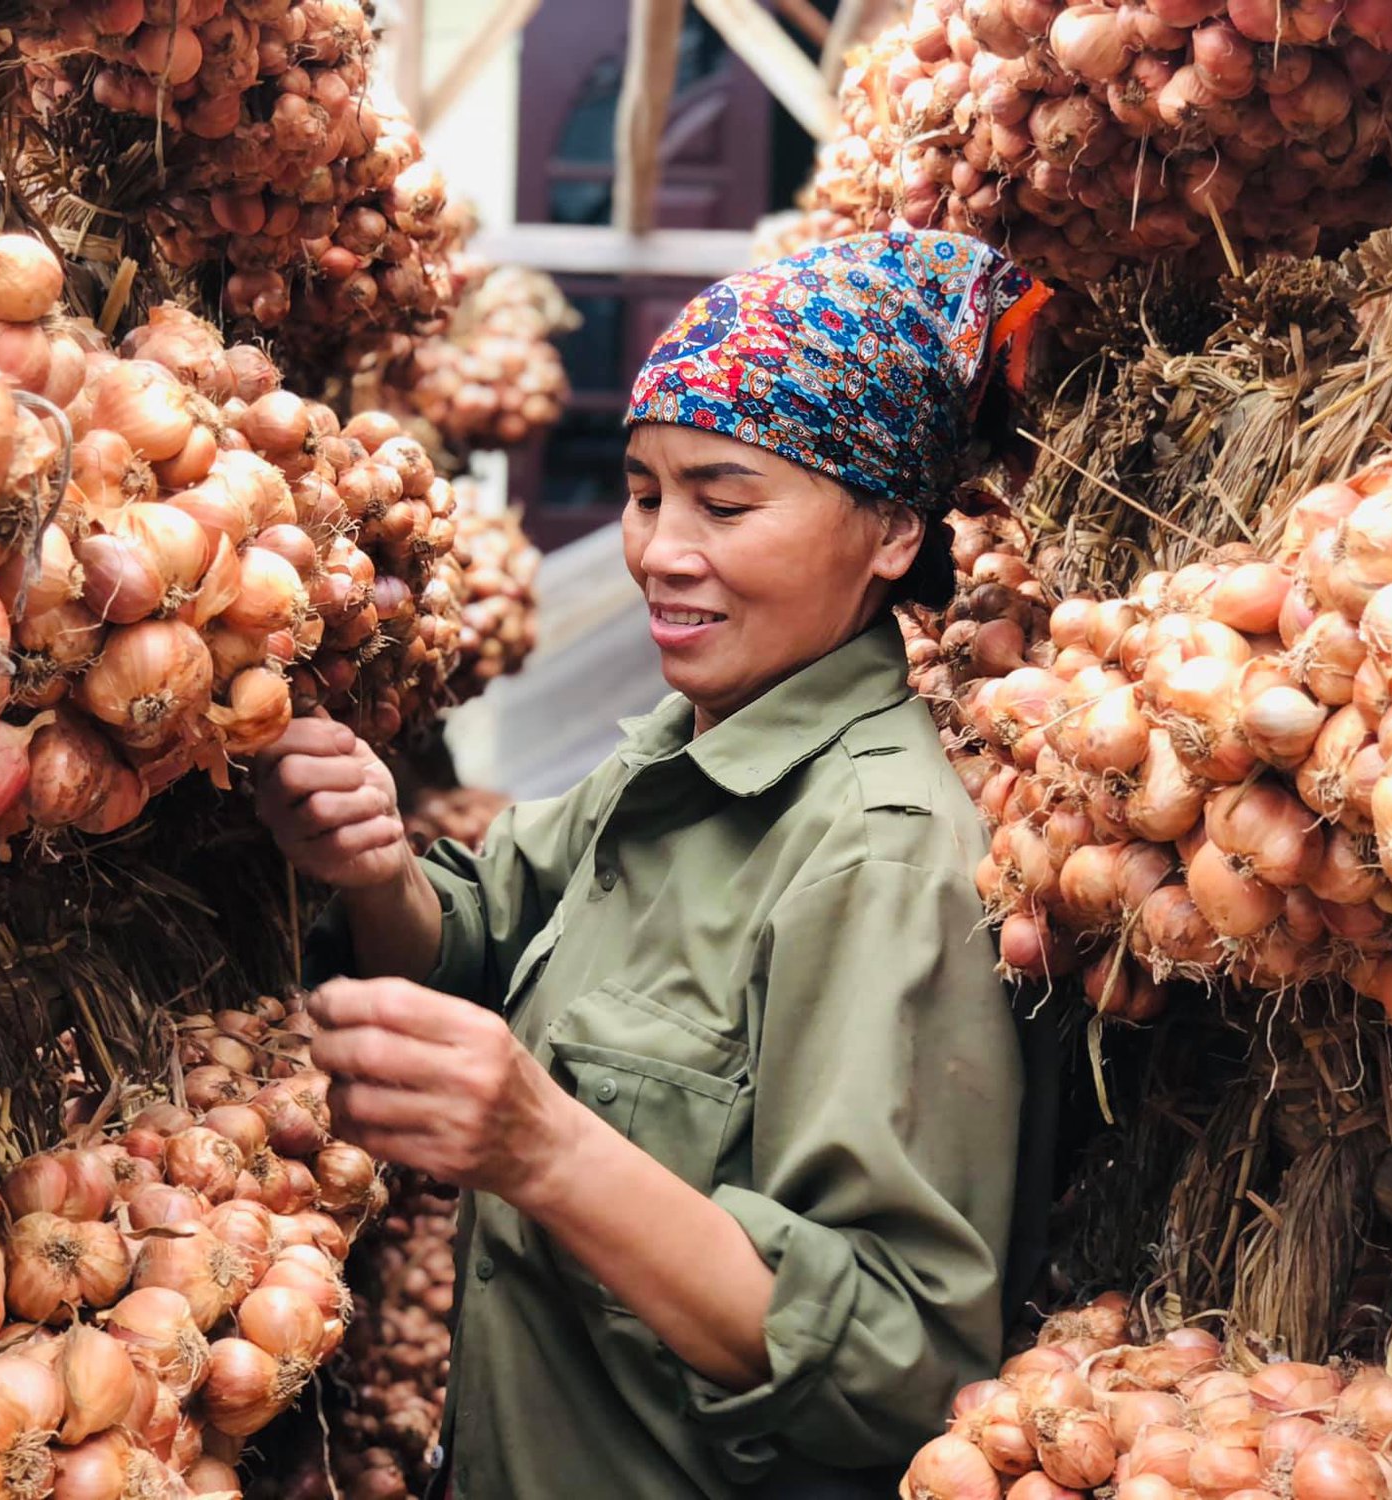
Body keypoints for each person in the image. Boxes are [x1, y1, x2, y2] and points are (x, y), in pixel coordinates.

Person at [258, 230, 1051, 1499]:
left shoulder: (873, 853)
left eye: (724, 503)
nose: (658, 551)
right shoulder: (682, 752)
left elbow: (901, 1356)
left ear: (893, 533)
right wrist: (367, 868)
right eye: (641, 493)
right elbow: (470, 933)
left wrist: (542, 1150)